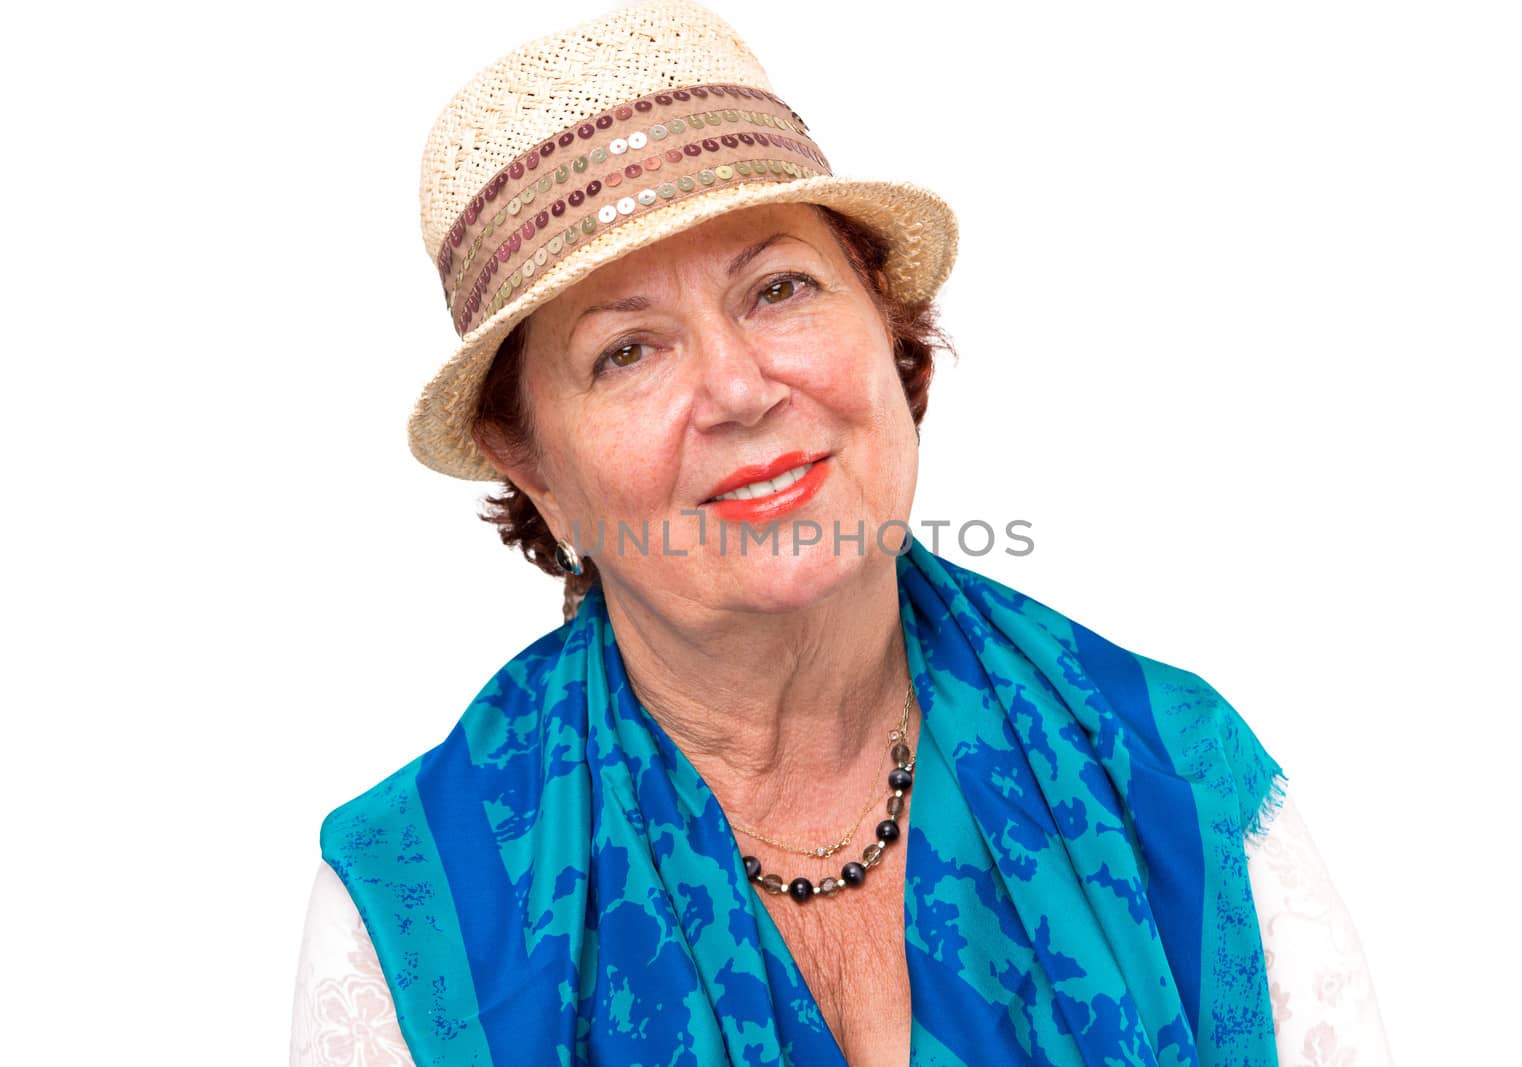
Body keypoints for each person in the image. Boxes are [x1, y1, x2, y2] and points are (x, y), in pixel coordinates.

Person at [292, 2, 1392, 1063]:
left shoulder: (1180, 778)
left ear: (887, 328)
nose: (736, 386)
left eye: (777, 287)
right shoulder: (417, 901)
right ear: (532, 463)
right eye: (625, 350)